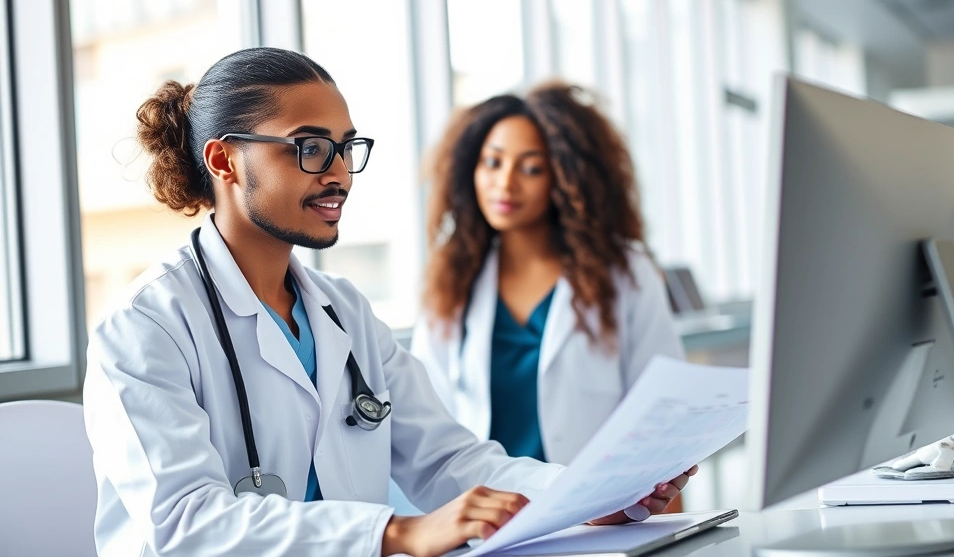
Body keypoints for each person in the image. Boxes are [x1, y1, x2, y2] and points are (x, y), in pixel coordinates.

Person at [82, 48, 693, 557]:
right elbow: (183, 524)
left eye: (347, 148)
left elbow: (448, 459)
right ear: (224, 160)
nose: (341, 174)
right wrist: (395, 531)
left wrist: (592, 496)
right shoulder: (145, 326)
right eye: (310, 147)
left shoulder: (343, 313)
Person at [412, 83, 684, 466]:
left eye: (531, 168)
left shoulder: (626, 274)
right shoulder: (453, 279)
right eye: (492, 162)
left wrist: (669, 519)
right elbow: (425, 417)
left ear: (567, 177)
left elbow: (663, 410)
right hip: (491, 514)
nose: (505, 183)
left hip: (597, 513)